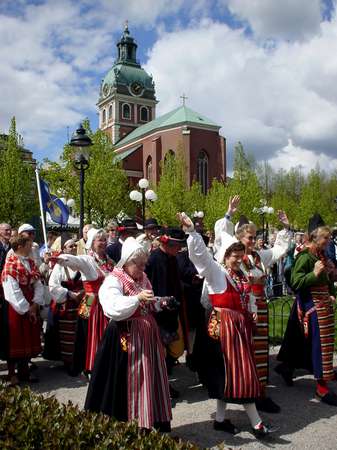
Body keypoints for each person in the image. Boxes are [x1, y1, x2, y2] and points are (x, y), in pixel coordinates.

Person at [177, 212, 276, 438]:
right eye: (234, 254)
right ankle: (257, 424)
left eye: (240, 254)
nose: (238, 258)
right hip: (224, 330)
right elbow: (200, 257)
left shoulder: (240, 275)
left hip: (238, 329)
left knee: (227, 376)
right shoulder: (217, 272)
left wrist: (251, 313)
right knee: (241, 374)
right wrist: (192, 233)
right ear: (224, 255)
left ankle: (220, 420)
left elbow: (247, 297)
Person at [85, 237, 172, 431]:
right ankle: (129, 424)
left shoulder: (142, 278)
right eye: (139, 265)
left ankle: (148, 421)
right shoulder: (113, 280)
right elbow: (112, 307)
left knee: (149, 378)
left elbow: (148, 303)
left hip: (147, 339)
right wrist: (136, 299)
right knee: (126, 382)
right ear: (128, 262)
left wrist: (161, 302)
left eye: (144, 264)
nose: (142, 268)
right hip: (125, 337)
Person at [214, 196, 291, 413]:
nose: (252, 240)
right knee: (246, 351)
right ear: (240, 238)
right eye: (249, 237)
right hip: (243, 309)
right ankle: (251, 392)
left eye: (254, 237)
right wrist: (229, 213)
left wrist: (285, 227)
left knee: (259, 350)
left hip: (261, 309)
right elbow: (222, 235)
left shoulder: (258, 257)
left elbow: (278, 251)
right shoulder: (233, 259)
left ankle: (261, 391)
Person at [276, 215, 337, 405]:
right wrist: (314, 274)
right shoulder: (304, 256)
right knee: (318, 345)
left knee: (317, 344)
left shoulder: (320, 255)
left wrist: (331, 285)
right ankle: (321, 387)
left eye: (328, 238)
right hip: (311, 307)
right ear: (314, 238)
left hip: (323, 305)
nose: (328, 242)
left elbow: (326, 280)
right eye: (325, 238)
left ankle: (294, 368)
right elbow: (296, 282)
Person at [56, 228, 113, 373]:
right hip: (90, 301)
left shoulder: (109, 260)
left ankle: (105, 362)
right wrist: (61, 258)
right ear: (92, 243)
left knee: (105, 333)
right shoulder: (88, 259)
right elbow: (75, 260)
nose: (103, 242)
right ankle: (91, 365)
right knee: (87, 333)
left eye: (105, 239)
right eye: (100, 240)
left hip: (106, 301)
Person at [2, 236, 44, 385]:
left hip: (30, 304)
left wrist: (35, 303)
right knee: (15, 339)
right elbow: (11, 291)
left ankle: (24, 370)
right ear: (20, 246)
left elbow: (38, 284)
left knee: (29, 336)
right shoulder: (10, 265)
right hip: (15, 308)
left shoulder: (31, 263)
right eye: (28, 245)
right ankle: (12, 373)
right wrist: (26, 308)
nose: (31, 247)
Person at [145, 228, 187, 381]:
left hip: (171, 310)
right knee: (161, 350)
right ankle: (162, 384)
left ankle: (165, 381)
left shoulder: (172, 258)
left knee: (172, 349)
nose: (180, 249)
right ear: (168, 244)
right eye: (177, 245)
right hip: (158, 313)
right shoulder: (153, 259)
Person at [45, 239, 85, 375]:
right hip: (67, 304)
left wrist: (84, 292)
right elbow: (53, 285)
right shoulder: (59, 266)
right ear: (64, 248)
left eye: (75, 245)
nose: (73, 247)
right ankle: (69, 362)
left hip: (83, 302)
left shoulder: (82, 262)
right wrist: (68, 293)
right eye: (70, 246)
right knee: (67, 335)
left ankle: (81, 360)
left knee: (81, 332)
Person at [0, 223, 12, 361]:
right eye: (5, 230)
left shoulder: (12, 247)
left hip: (9, 288)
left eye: (9, 229)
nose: (8, 232)